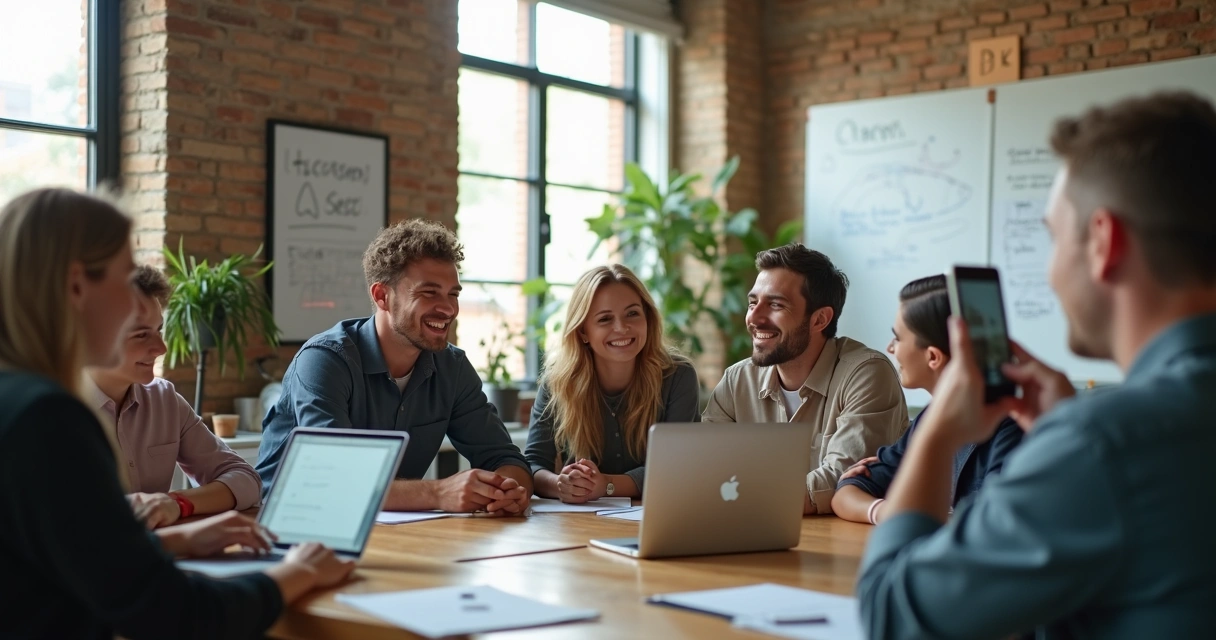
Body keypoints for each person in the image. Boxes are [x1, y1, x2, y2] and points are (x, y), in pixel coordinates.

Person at [858, 92, 1216, 638]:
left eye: (1052, 237)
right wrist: (1060, 431)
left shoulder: (1105, 444)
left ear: (1103, 241)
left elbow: (892, 616)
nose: (1049, 271)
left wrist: (937, 436)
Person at [0, 188, 353, 638]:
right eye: (124, 279)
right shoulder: (48, 418)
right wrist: (299, 571)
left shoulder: (18, 401)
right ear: (75, 285)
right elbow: (177, 614)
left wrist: (178, 537)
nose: (136, 301)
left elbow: (66, 562)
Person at [256, 219, 533, 515]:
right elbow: (334, 478)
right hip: (289, 527)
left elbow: (506, 459)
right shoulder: (324, 361)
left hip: (390, 528)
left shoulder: (452, 367)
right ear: (382, 296)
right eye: (429, 293)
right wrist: (439, 493)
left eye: (453, 294)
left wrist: (506, 491)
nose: (449, 308)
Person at [702, 244, 907, 514]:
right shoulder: (737, 380)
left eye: (775, 304)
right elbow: (703, 471)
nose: (754, 317)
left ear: (820, 319)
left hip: (843, 544)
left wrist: (745, 496)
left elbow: (845, 482)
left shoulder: (866, 373)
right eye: (753, 303)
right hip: (751, 529)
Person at [831, 275, 1022, 525]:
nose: (890, 348)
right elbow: (847, 490)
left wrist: (913, 515)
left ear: (933, 357)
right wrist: (886, 512)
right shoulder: (929, 419)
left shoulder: (1011, 430)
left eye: (897, 338)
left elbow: (995, 524)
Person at [85, 265, 261, 529]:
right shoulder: (50, 411)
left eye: (159, 330)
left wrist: (177, 503)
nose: (161, 348)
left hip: (161, 558)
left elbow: (246, 480)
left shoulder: (164, 399)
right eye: (142, 334)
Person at [526, 264, 700, 503]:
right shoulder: (558, 381)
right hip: (578, 521)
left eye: (632, 314)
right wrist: (561, 485)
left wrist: (606, 485)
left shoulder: (678, 376)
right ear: (583, 332)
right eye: (605, 319)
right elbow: (533, 463)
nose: (621, 328)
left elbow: (676, 467)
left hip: (660, 516)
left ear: (647, 319)